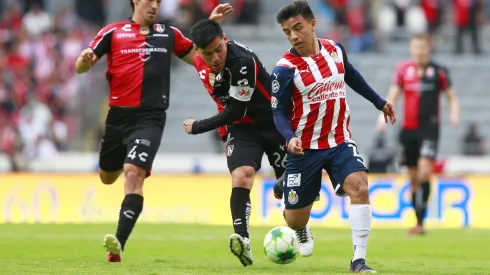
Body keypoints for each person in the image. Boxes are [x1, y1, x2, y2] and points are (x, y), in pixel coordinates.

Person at [75, 0, 229, 263]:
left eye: (160, 1)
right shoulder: (112, 32)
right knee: (107, 177)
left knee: (134, 174)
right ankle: (130, 159)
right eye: (151, 0)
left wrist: (213, 42)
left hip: (150, 118)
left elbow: (199, 57)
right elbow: (82, 66)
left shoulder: (169, 34)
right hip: (117, 118)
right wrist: (84, 61)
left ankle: (117, 246)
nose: (156, 6)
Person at [272, 1, 395, 273]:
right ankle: (300, 224)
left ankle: (358, 262)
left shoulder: (335, 49)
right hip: (304, 149)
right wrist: (290, 137)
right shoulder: (284, 69)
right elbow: (278, 113)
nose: (293, 36)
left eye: (297, 28)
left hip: (339, 140)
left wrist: (379, 101)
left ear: (313, 24)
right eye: (287, 32)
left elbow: (349, 74)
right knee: (293, 220)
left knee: (360, 187)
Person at [183, 19, 288, 267]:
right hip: (243, 129)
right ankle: (242, 239)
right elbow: (196, 42)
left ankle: (300, 226)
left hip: (274, 122)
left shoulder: (242, 62)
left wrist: (199, 126)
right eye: (208, 53)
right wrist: (212, 18)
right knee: (242, 175)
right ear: (199, 52)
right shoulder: (202, 58)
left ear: (225, 39)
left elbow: (237, 109)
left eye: (219, 49)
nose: (215, 57)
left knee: (291, 199)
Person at [378, 33, 459, 235]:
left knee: (424, 172)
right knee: (413, 179)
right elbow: (394, 94)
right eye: (415, 47)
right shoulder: (403, 70)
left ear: (428, 48)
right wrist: (382, 117)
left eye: (422, 47)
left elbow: (452, 97)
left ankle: (422, 221)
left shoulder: (439, 72)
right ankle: (418, 221)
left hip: (429, 129)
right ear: (411, 49)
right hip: (408, 131)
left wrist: (454, 114)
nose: (419, 51)